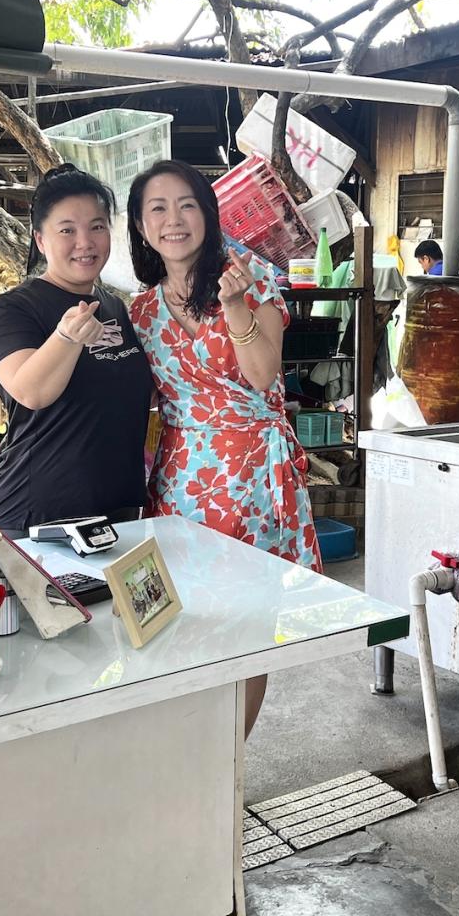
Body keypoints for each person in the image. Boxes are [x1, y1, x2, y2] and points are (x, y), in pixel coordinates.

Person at [127, 160, 321, 735]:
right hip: (180, 483)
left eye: (187, 205)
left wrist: (234, 306)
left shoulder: (251, 278)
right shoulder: (139, 311)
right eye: (158, 208)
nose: (174, 219)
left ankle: (229, 757)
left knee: (248, 626)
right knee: (180, 620)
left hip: (253, 477)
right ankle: (192, 750)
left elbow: (262, 375)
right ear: (140, 226)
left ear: (208, 215)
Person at [0, 165, 153, 537]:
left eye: (97, 226)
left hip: (116, 516)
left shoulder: (114, 307)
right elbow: (31, 392)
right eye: (67, 230)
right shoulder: (13, 310)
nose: (85, 242)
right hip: (37, 517)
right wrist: (66, 337)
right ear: (41, 239)